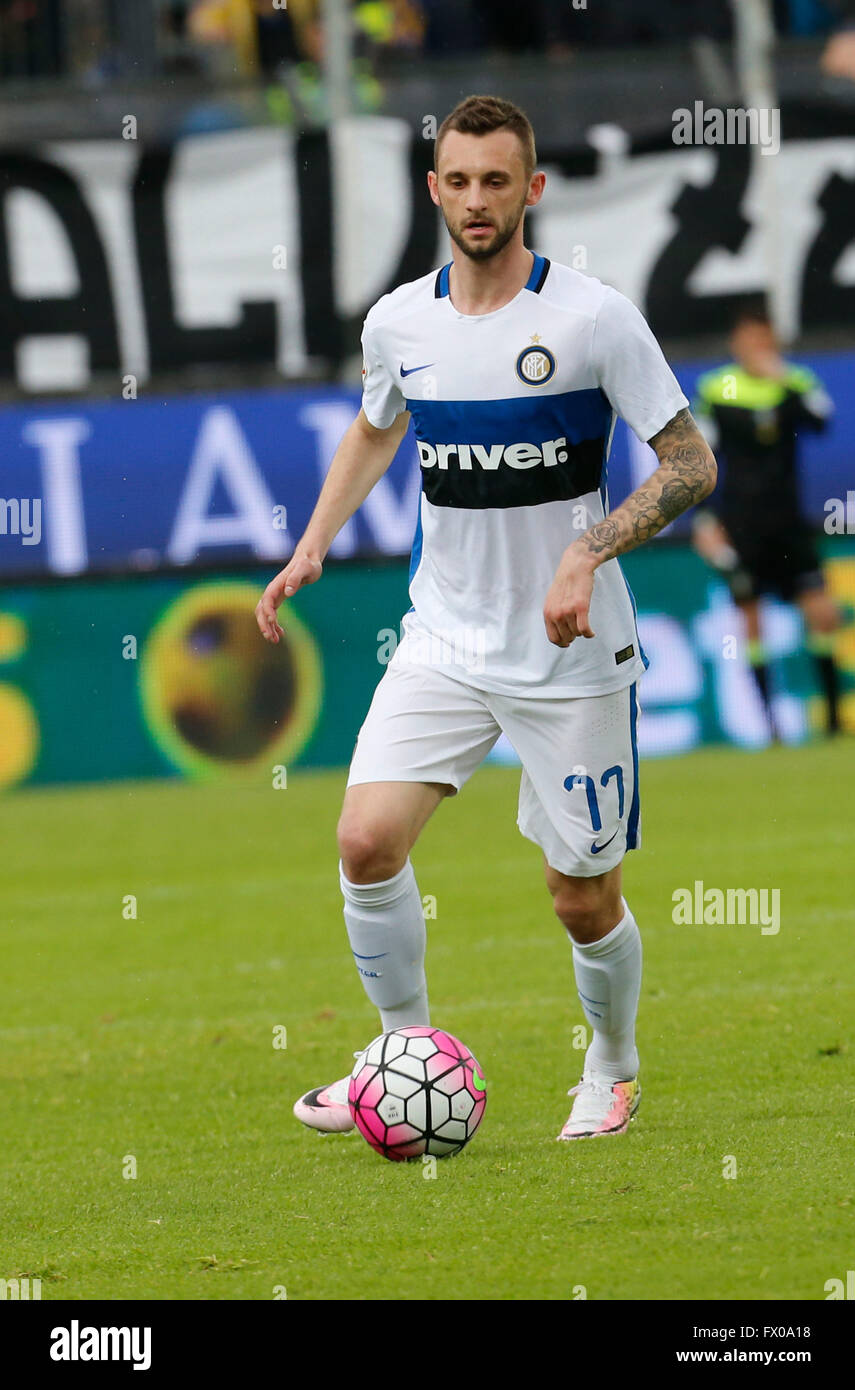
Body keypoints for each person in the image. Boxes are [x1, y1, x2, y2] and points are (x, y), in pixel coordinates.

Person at [256, 95, 717, 1142]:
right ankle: (400, 1054)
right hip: (446, 641)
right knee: (365, 841)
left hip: (573, 651)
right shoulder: (398, 323)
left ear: (532, 190)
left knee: (579, 897)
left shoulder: (593, 318)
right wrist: (313, 542)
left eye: (496, 181)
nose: (476, 200)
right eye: (458, 181)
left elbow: (692, 463)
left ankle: (613, 1064)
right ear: (434, 189)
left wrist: (587, 550)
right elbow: (377, 431)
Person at [692, 306, 842, 739]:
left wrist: (781, 379)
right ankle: (771, 725)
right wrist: (705, 519)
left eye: (765, 341)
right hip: (741, 523)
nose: (758, 349)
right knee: (751, 621)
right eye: (751, 341)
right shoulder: (718, 389)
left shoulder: (795, 381)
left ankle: (833, 723)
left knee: (823, 613)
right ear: (736, 344)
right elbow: (702, 457)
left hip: (790, 521)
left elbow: (821, 420)